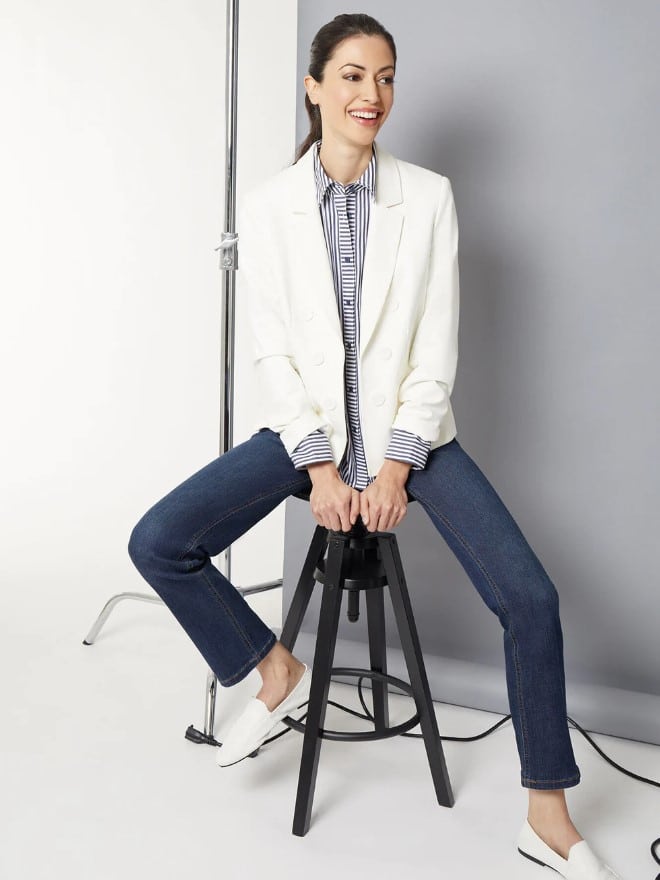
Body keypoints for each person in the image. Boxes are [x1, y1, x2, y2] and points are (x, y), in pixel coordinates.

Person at [128, 13, 622, 879]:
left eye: (387, 77)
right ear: (314, 87)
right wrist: (318, 465)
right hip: (307, 438)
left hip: (413, 441)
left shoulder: (427, 196)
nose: (373, 95)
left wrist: (396, 462)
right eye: (353, 76)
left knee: (531, 600)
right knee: (159, 541)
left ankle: (546, 812)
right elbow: (272, 350)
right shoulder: (271, 208)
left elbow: (437, 346)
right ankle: (270, 667)